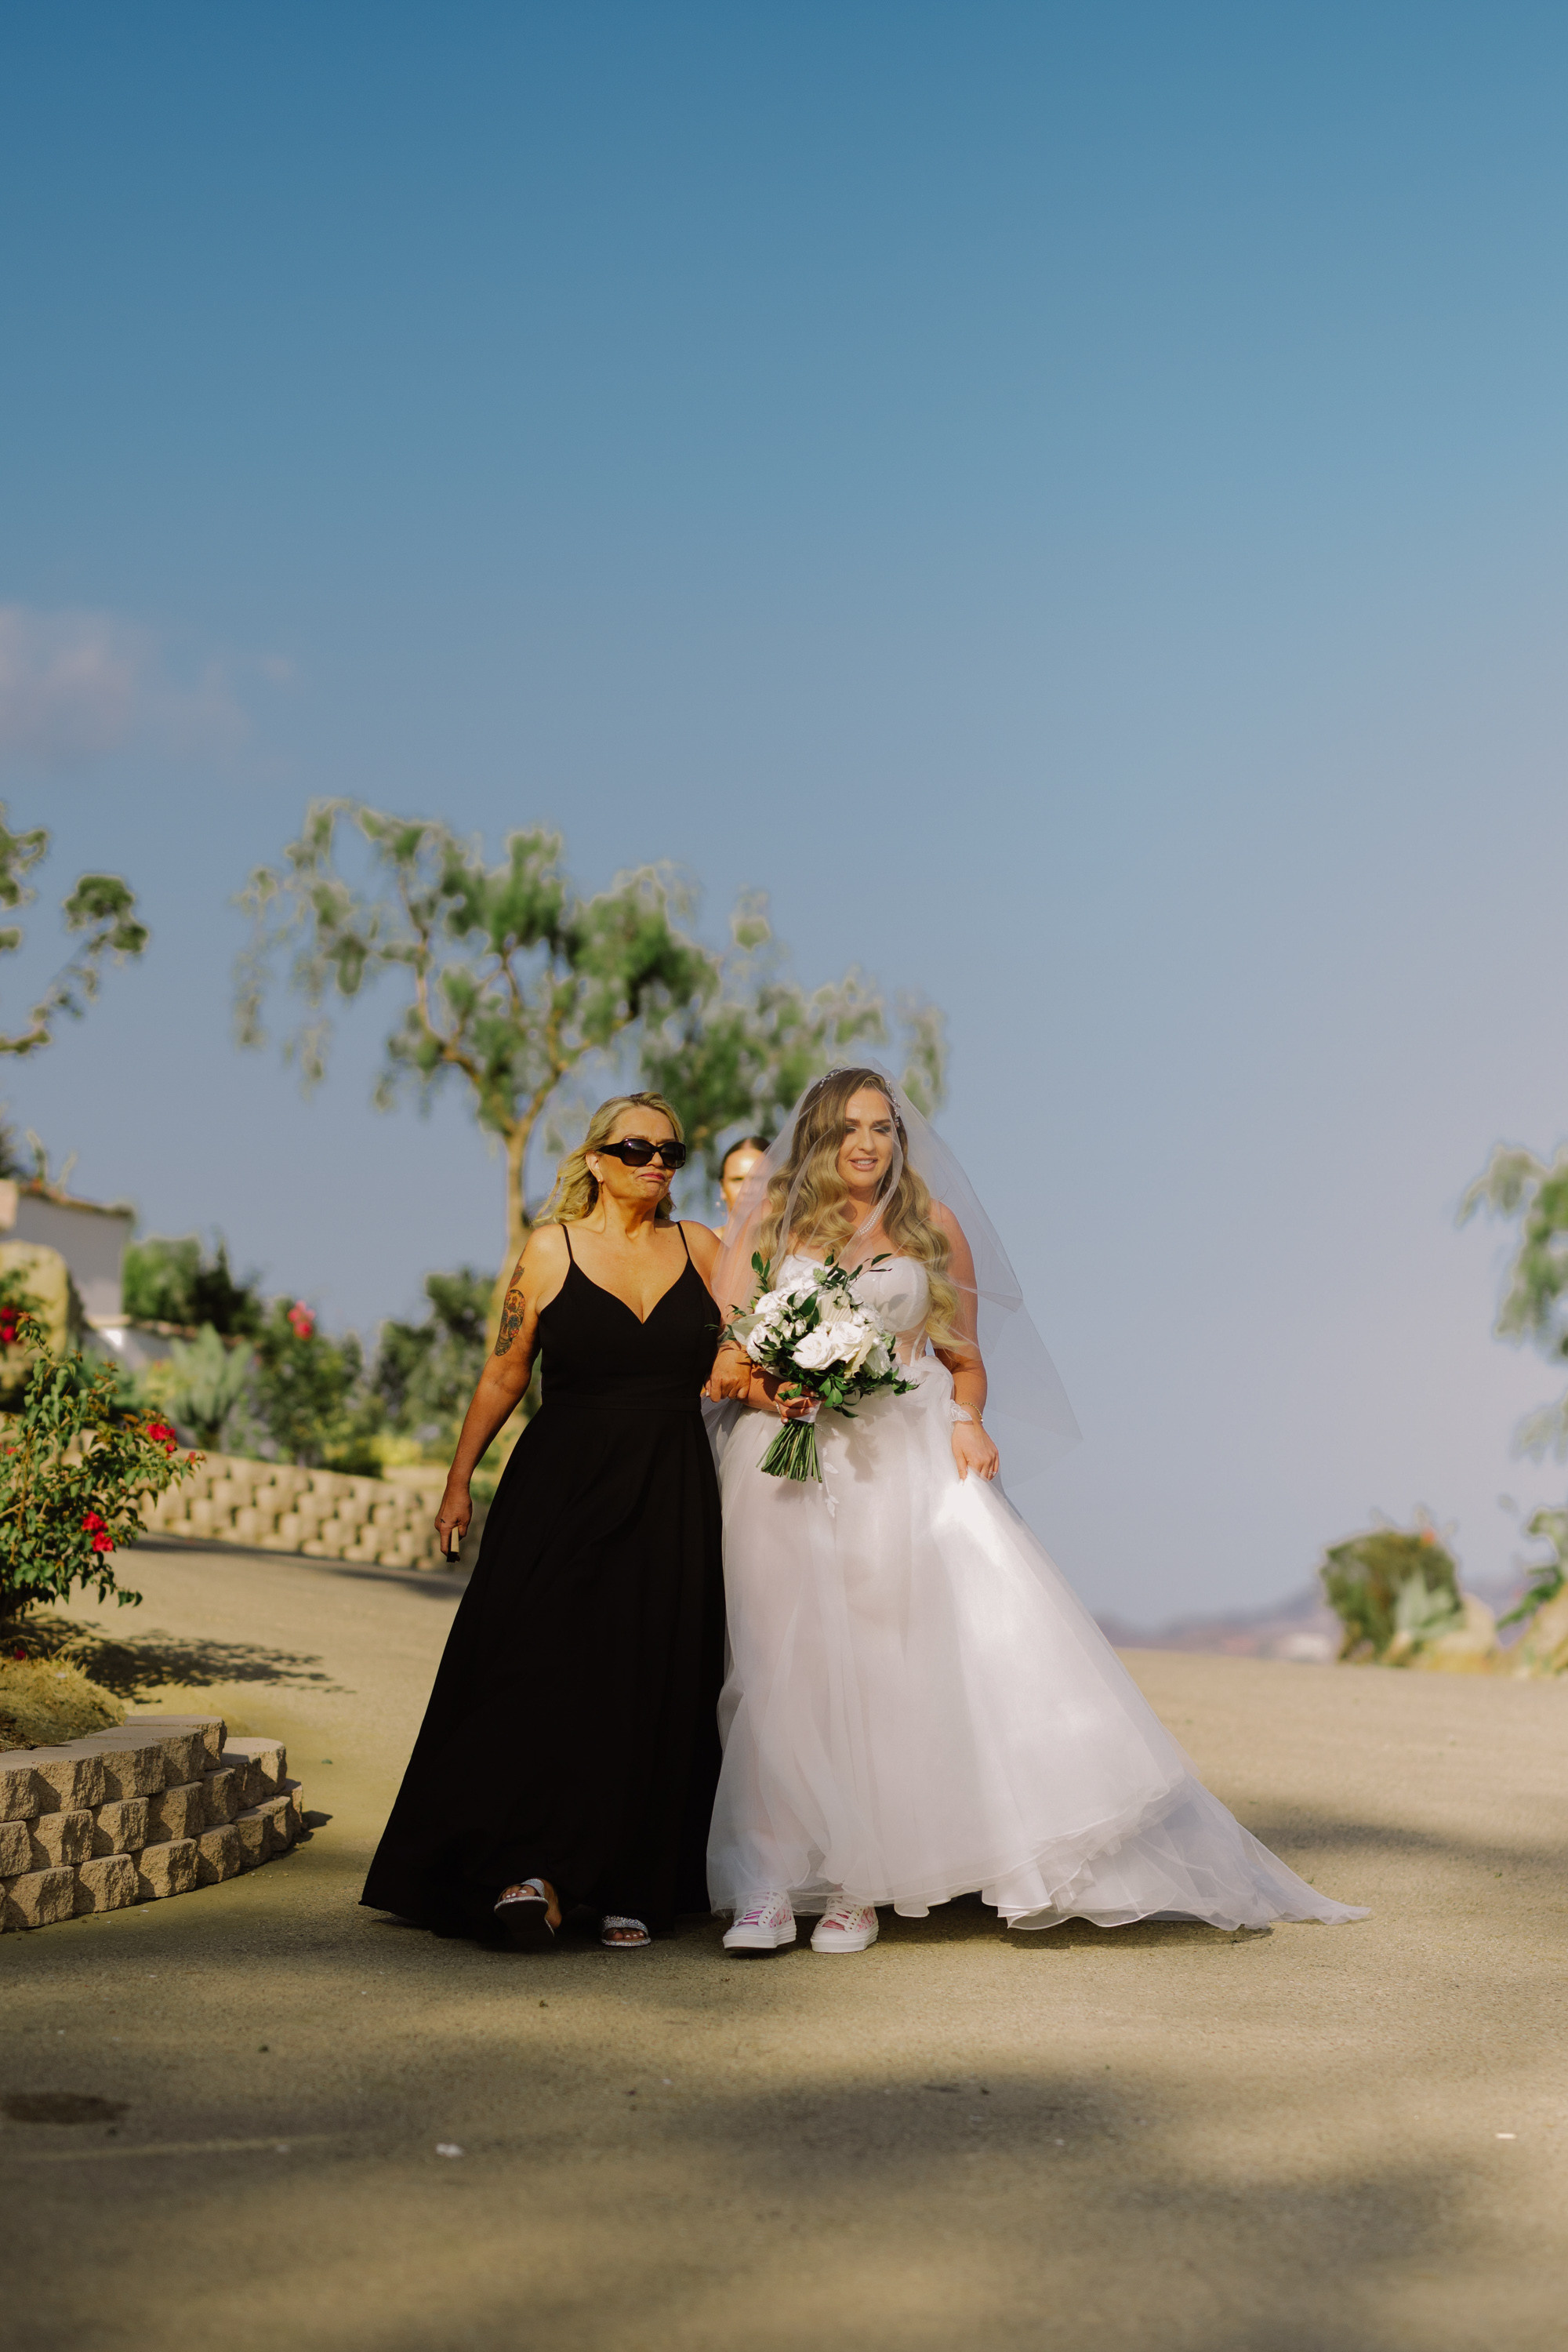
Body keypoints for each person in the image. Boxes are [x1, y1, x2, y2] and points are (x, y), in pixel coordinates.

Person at [704, 1065, 1366, 1955]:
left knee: (879, 1665)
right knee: (781, 1671)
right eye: (848, 1128)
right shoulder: (771, 1224)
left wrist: (968, 1421)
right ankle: (768, 1884)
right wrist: (775, 1388)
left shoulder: (927, 1228)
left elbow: (962, 1356)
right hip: (788, 1464)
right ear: (817, 1138)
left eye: (882, 1128)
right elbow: (726, 1357)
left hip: (898, 1460)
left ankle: (857, 1885)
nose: (867, 1144)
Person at [361, 1093, 725, 1951]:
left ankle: (633, 1882)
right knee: (538, 1669)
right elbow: (503, 1374)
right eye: (636, 1147)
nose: (656, 1164)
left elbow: (744, 1357)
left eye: (672, 1152)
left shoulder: (703, 1248)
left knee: (652, 1678)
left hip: (671, 1490)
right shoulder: (550, 1248)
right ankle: (527, 1871)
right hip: (559, 1489)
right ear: (596, 1158)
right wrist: (459, 1481)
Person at [718, 1136, 771, 1221]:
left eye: (757, 1179)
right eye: (737, 1180)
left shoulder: (795, 1234)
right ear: (722, 1188)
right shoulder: (698, 1234)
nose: (747, 1190)